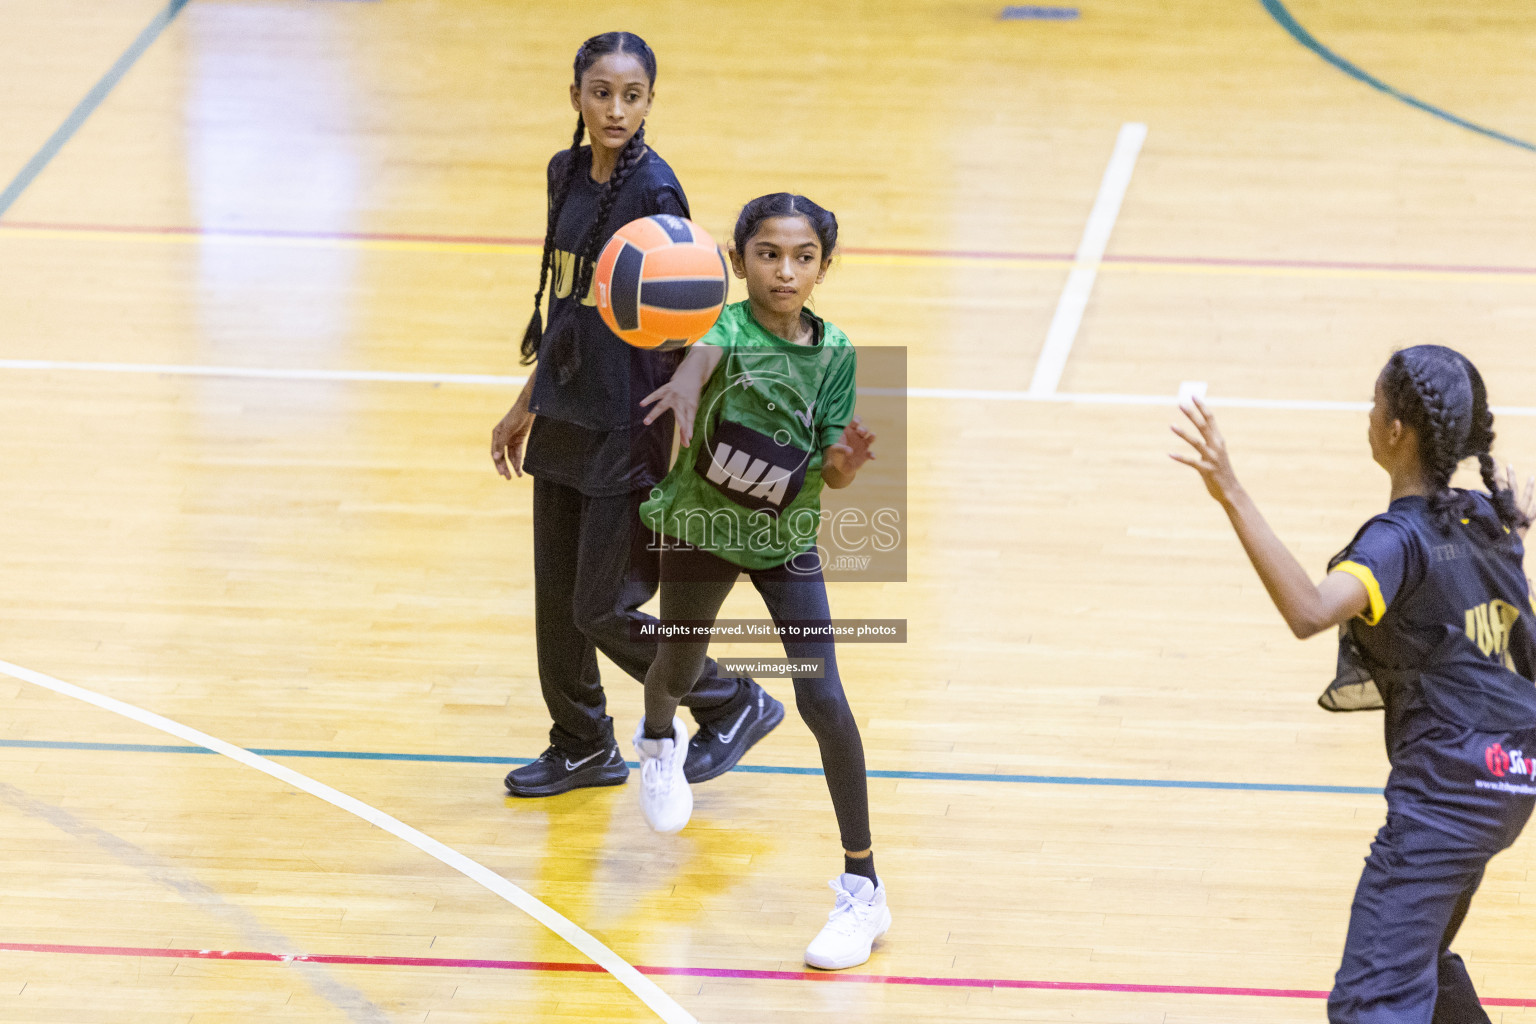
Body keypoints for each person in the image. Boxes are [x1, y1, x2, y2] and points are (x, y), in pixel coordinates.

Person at [1172, 345, 1536, 1021]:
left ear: (1396, 431)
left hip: (1446, 800)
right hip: (1512, 779)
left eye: (1374, 404)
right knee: (1418, 967)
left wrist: (1231, 489)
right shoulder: (1481, 517)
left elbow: (1309, 611)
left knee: (1371, 1005)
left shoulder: (1397, 542)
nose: (1367, 415)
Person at [491, 32, 781, 798]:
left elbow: (705, 317)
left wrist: (687, 414)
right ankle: (583, 743)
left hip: (630, 420)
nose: (615, 108)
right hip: (565, 412)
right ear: (576, 96)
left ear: (650, 100)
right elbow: (565, 307)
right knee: (557, 603)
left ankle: (729, 698)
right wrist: (527, 401)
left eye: (632, 95)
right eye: (600, 92)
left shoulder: (655, 190)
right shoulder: (563, 174)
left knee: (603, 607)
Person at [630, 193, 889, 971]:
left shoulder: (835, 351)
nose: (785, 270)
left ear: (823, 266)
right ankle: (655, 738)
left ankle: (864, 887)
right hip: (702, 530)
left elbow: (833, 470)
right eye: (769, 254)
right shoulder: (724, 327)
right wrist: (684, 385)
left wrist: (842, 467)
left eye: (803, 256)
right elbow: (705, 354)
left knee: (824, 698)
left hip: (782, 542)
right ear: (740, 259)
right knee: (675, 667)